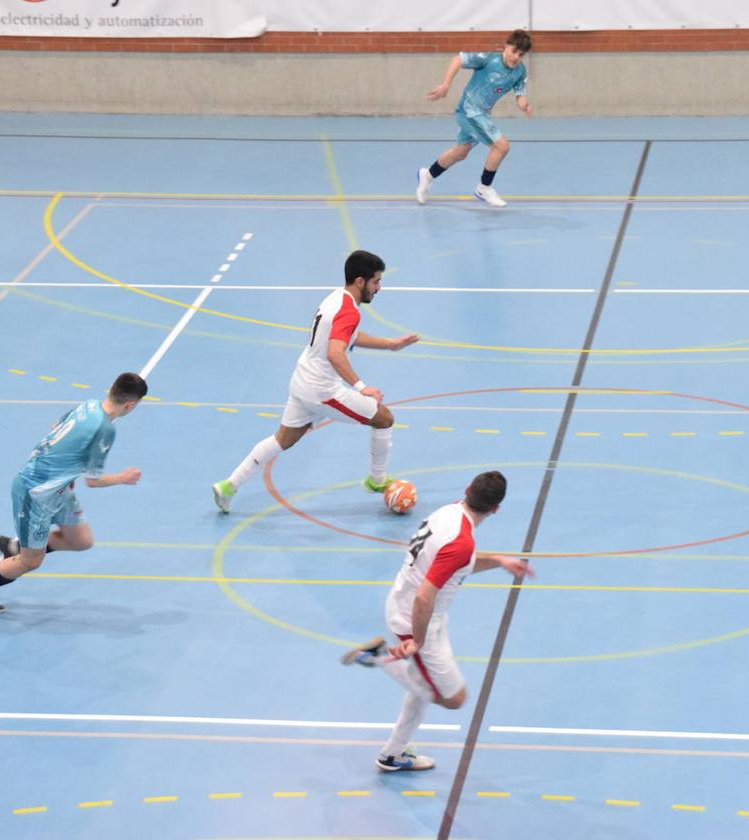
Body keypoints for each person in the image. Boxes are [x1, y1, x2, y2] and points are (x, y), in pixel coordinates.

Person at [341, 470, 534, 771]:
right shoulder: (461, 543)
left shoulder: (448, 513)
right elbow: (424, 596)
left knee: (420, 686)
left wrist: (498, 561)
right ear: (496, 509)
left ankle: (392, 754)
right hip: (416, 620)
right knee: (453, 698)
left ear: (467, 489)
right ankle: (380, 657)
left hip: (415, 609)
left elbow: (455, 563)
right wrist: (415, 642)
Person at [212, 250, 418, 513]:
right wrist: (362, 388)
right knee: (384, 418)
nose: (379, 288)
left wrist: (390, 344)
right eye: (376, 281)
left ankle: (228, 486)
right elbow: (335, 352)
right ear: (360, 281)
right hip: (323, 390)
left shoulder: (336, 298)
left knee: (282, 439)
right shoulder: (349, 312)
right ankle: (377, 481)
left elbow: (346, 336)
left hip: (301, 380)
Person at [0, 372, 148, 614]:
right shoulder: (105, 430)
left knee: (81, 541)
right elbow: (94, 481)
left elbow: (54, 428)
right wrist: (123, 478)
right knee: (32, 561)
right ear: (131, 404)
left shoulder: (88, 405)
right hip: (36, 493)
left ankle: (16, 546)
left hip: (58, 488)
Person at [415, 30, 534, 209]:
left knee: (460, 153)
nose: (516, 57)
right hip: (468, 111)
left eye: (521, 54)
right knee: (501, 146)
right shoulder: (488, 59)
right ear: (507, 45)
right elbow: (457, 59)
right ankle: (484, 187)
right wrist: (446, 85)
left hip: (482, 114)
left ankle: (428, 175)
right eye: (514, 51)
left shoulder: (519, 71)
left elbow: (520, 95)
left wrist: (524, 105)